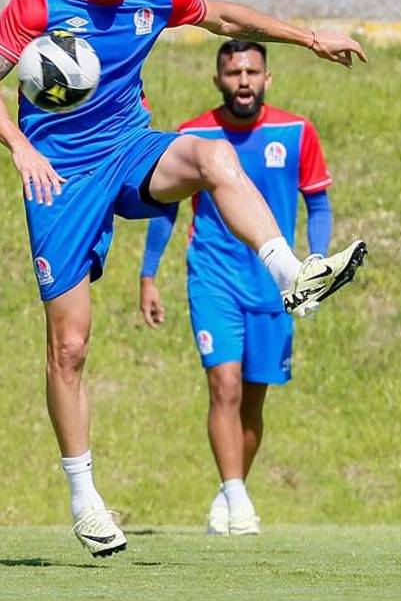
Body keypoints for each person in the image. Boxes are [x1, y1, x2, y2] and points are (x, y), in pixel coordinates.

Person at [0, 0, 367, 557]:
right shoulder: (40, 0)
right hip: (59, 176)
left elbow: (223, 15)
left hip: (128, 148)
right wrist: (21, 147)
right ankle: (85, 499)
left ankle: (292, 274)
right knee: (70, 345)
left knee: (213, 155)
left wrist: (309, 37)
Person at [139, 40, 341, 535]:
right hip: (213, 278)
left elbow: (318, 203)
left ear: (267, 79)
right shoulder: (193, 136)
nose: (243, 81)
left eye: (252, 71)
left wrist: (314, 260)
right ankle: (238, 498)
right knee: (223, 387)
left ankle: (230, 492)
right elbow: (165, 209)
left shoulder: (296, 132)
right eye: (233, 72)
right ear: (218, 80)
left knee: (253, 402)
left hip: (272, 287)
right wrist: (148, 274)